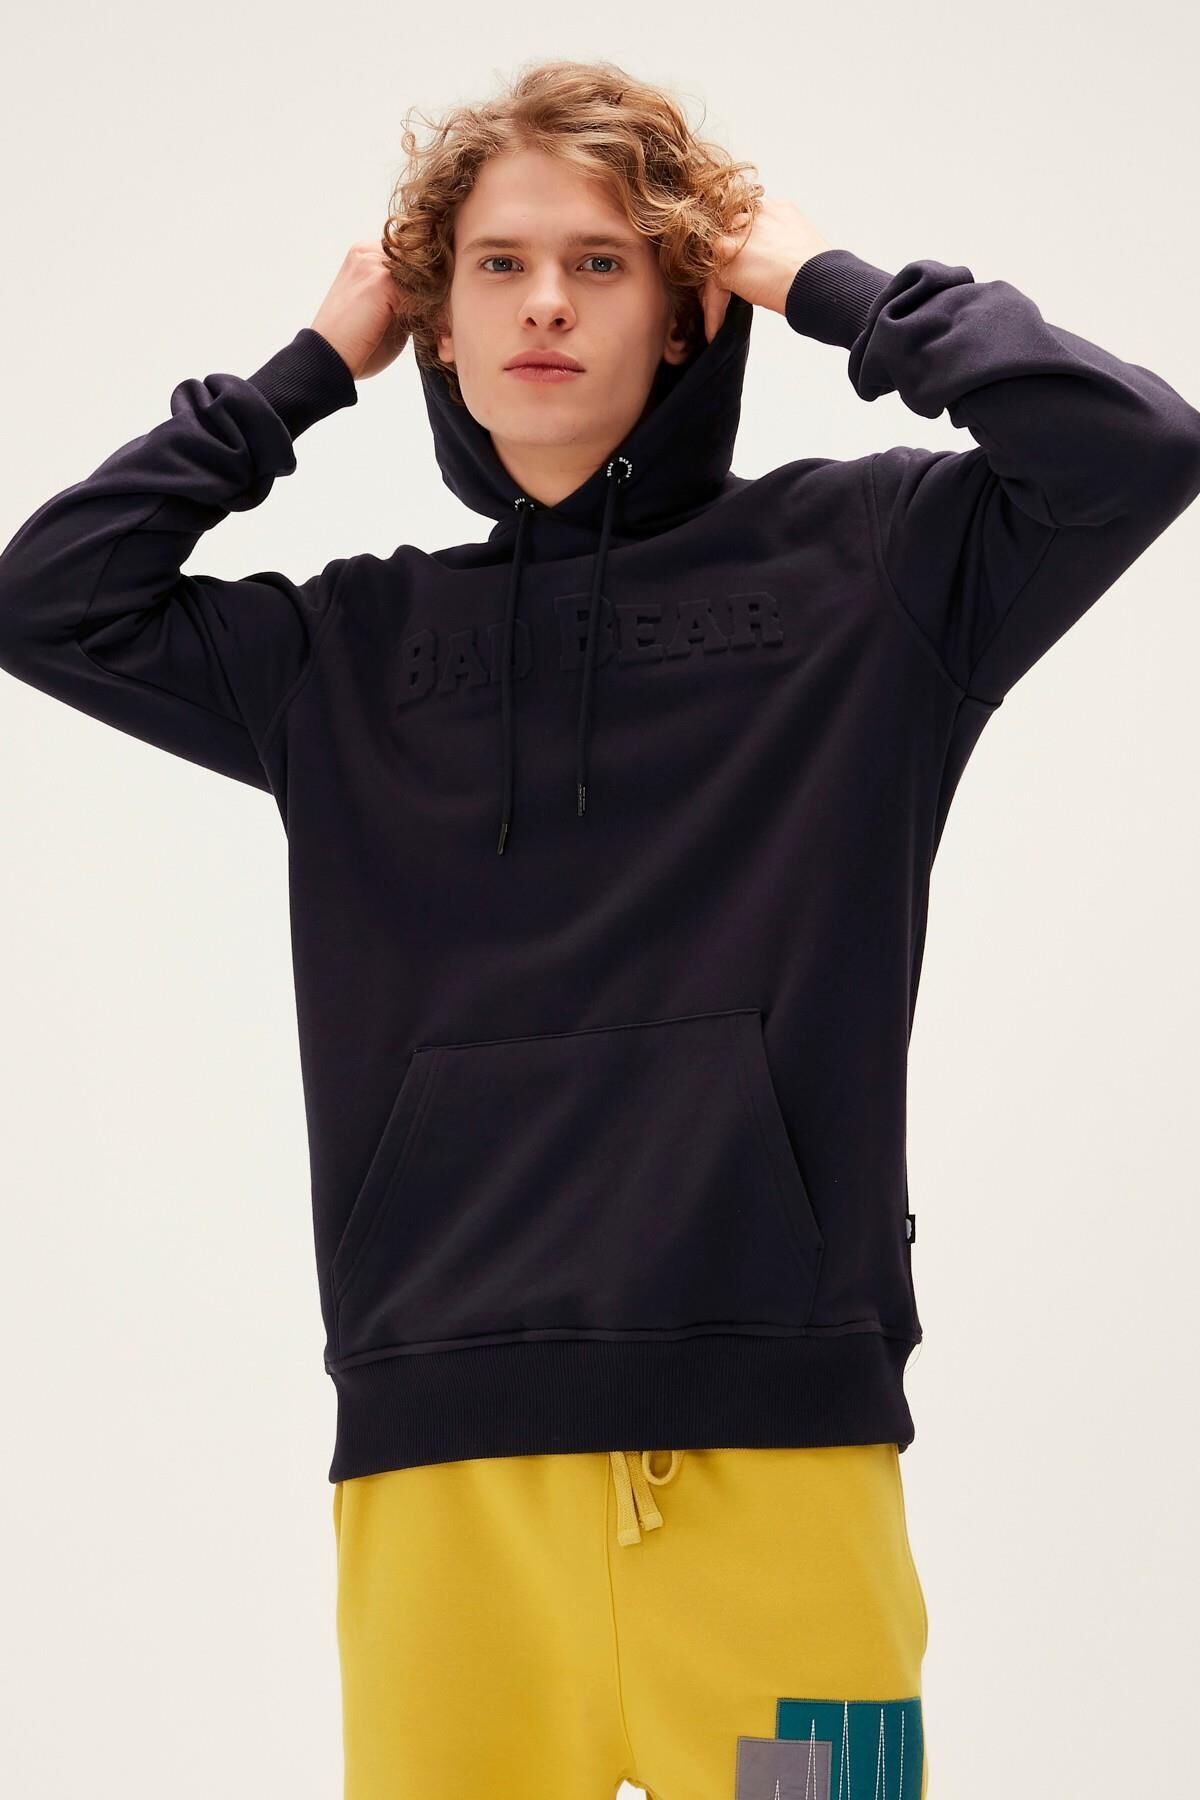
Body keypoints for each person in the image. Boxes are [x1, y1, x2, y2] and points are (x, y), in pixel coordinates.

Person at [3, 56, 1199, 1800]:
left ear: (687, 307)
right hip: (446, 1495)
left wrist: (830, 285)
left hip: (785, 1480)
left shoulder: (873, 570)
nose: (546, 303)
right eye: (496, 265)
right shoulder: (341, 656)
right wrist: (301, 373)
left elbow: (1135, 449)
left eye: (602, 261)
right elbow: (49, 600)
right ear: (437, 323)